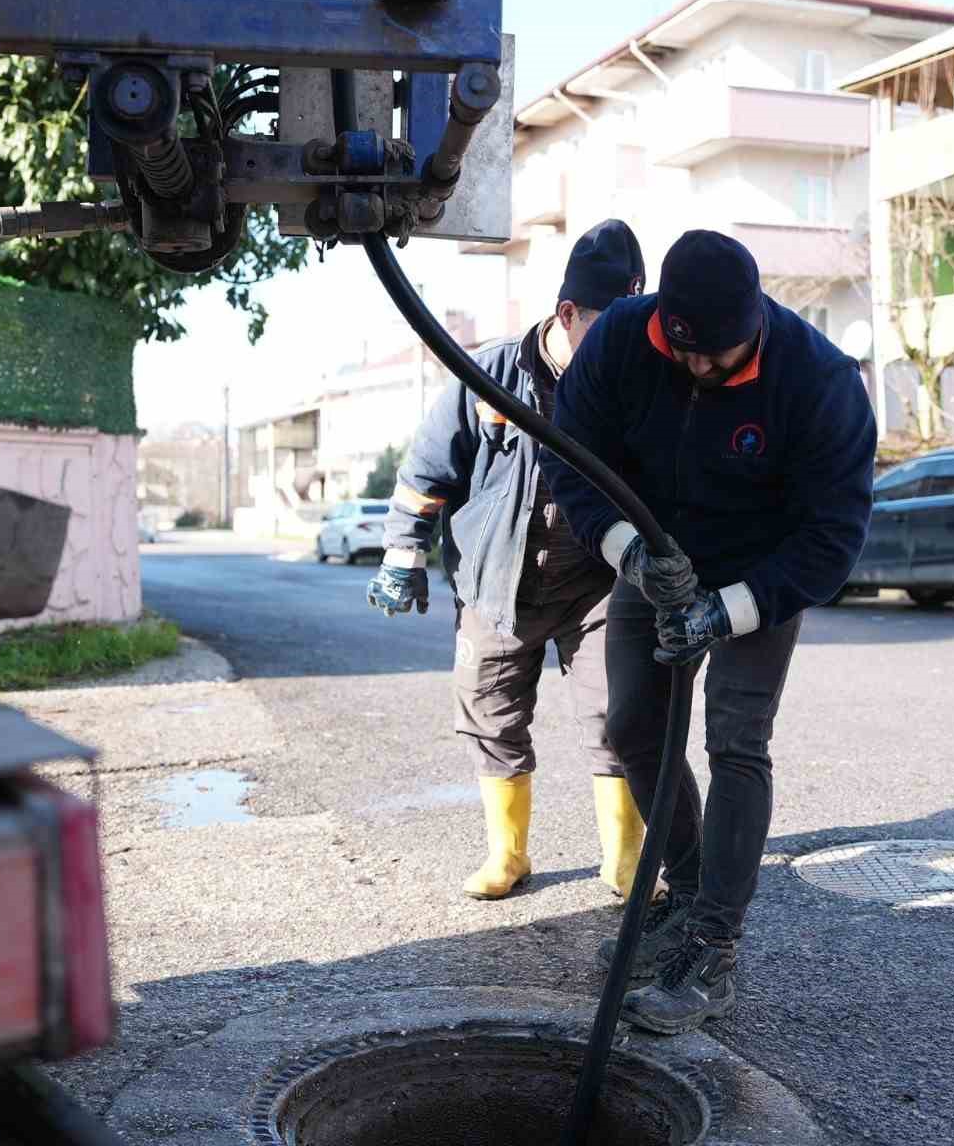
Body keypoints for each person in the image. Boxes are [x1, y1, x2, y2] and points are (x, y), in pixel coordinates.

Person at [542, 229, 877, 1033]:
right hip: (654, 557)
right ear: (662, 319)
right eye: (683, 352)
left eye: (717, 358)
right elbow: (570, 461)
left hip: (763, 574)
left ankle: (714, 949)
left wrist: (727, 611)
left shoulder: (818, 380)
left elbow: (832, 541)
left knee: (735, 740)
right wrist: (626, 551)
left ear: (754, 322)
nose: (699, 369)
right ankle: (687, 896)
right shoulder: (623, 336)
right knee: (631, 728)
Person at [367, 220, 653, 901]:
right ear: (567, 314)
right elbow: (428, 469)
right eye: (610, 328)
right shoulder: (486, 377)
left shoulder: (628, 385)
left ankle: (625, 863)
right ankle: (509, 856)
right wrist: (404, 550)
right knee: (490, 716)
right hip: (497, 586)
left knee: (622, 717)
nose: (623, 348)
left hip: (595, 586)